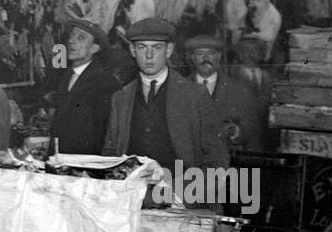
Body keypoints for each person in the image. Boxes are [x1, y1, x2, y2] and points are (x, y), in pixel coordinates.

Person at [103, 19, 229, 199]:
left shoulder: (195, 95)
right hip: (132, 201)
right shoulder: (120, 98)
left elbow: (217, 160)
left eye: (156, 48)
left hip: (184, 201)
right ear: (132, 51)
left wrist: (185, 193)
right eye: (141, 47)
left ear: (169, 50)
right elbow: (110, 154)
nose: (148, 55)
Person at [49, 19, 120, 155]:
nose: (71, 41)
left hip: (84, 166)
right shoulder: (67, 76)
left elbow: (104, 133)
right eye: (72, 36)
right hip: (61, 162)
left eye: (81, 38)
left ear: (95, 48)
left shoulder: (105, 83)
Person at [185, 34, 266, 152]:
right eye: (200, 53)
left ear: (219, 56)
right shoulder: (180, 89)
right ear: (192, 58)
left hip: (229, 162)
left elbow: (252, 126)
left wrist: (236, 131)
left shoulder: (238, 89)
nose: (205, 58)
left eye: (211, 53)